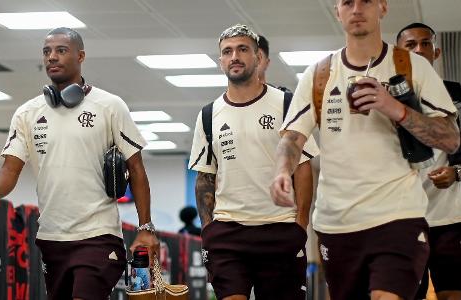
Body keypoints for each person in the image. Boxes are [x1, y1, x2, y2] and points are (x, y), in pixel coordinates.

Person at [270, 1, 460, 299]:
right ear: (338, 11)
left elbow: (451, 138)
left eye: (366, 1)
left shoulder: (411, 66)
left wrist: (395, 108)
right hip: (336, 223)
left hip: (398, 216)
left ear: (382, 8)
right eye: (348, 2)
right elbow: (292, 137)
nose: (356, 8)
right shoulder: (319, 74)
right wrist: (282, 170)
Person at [0, 27, 159, 299]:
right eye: (47, 52)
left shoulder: (109, 106)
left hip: (98, 234)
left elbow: (137, 170)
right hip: (51, 237)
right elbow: (10, 168)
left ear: (80, 56)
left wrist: (145, 228)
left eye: (61, 50)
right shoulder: (27, 113)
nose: (52, 57)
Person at [188, 24, 319, 300]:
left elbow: (303, 167)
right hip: (227, 232)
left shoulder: (286, 104)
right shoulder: (209, 114)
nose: (235, 56)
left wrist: (300, 224)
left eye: (242, 49)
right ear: (221, 61)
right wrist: (208, 228)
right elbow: (205, 178)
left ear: (258, 57)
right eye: (227, 51)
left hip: (280, 229)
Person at [396, 22, 461, 300]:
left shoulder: (457, 95)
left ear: (436, 51)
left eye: (425, 43)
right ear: (398, 53)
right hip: (403, 216)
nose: (419, 50)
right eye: (410, 45)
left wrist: (457, 172)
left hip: (451, 217)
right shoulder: (386, 98)